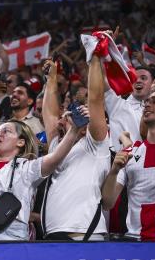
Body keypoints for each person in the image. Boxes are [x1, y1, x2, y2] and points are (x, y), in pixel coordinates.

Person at [0, 118, 82, 241]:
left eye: (6, 131)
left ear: (21, 142)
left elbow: (56, 157)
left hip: (12, 237)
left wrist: (74, 130)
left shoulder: (27, 168)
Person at [41, 53, 111, 241]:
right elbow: (48, 113)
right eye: (65, 114)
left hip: (85, 232)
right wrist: (51, 79)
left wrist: (95, 59)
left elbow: (96, 99)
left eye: (72, 114)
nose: (65, 117)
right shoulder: (58, 144)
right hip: (52, 233)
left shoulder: (96, 145)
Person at [101, 88, 155, 241]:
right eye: (147, 102)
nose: (148, 104)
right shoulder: (132, 151)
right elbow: (107, 202)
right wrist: (113, 171)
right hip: (134, 241)